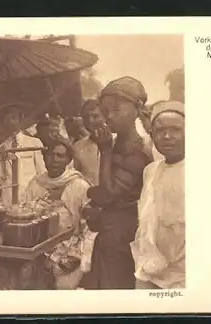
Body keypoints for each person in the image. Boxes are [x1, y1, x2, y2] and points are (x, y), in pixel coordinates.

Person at [80, 76, 153, 289]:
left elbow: (109, 195)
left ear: (136, 111)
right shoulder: (117, 144)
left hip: (123, 238)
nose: (109, 117)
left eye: (116, 110)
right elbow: (104, 192)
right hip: (109, 234)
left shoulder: (138, 152)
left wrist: (105, 151)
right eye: (106, 111)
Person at [23, 139, 95, 289]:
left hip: (70, 256)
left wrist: (65, 259)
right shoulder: (36, 184)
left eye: (60, 156)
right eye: (51, 154)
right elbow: (27, 216)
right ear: (44, 157)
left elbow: (90, 229)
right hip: (38, 253)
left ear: (69, 160)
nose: (55, 159)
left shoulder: (79, 186)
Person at [130, 100, 185, 289]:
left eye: (175, 129)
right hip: (148, 270)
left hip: (182, 277)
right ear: (152, 135)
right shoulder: (150, 171)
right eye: (160, 131)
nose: (167, 136)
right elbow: (146, 221)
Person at [0, 103, 46, 207]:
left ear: (20, 120)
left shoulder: (34, 143)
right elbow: (1, 177)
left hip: (32, 196)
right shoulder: (1, 148)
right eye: (7, 119)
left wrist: (37, 192)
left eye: (14, 118)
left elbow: (42, 172)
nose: (11, 122)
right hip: (9, 198)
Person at [73, 99, 109, 186]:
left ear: (105, 117)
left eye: (95, 116)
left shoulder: (118, 142)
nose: (90, 121)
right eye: (86, 117)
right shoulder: (78, 146)